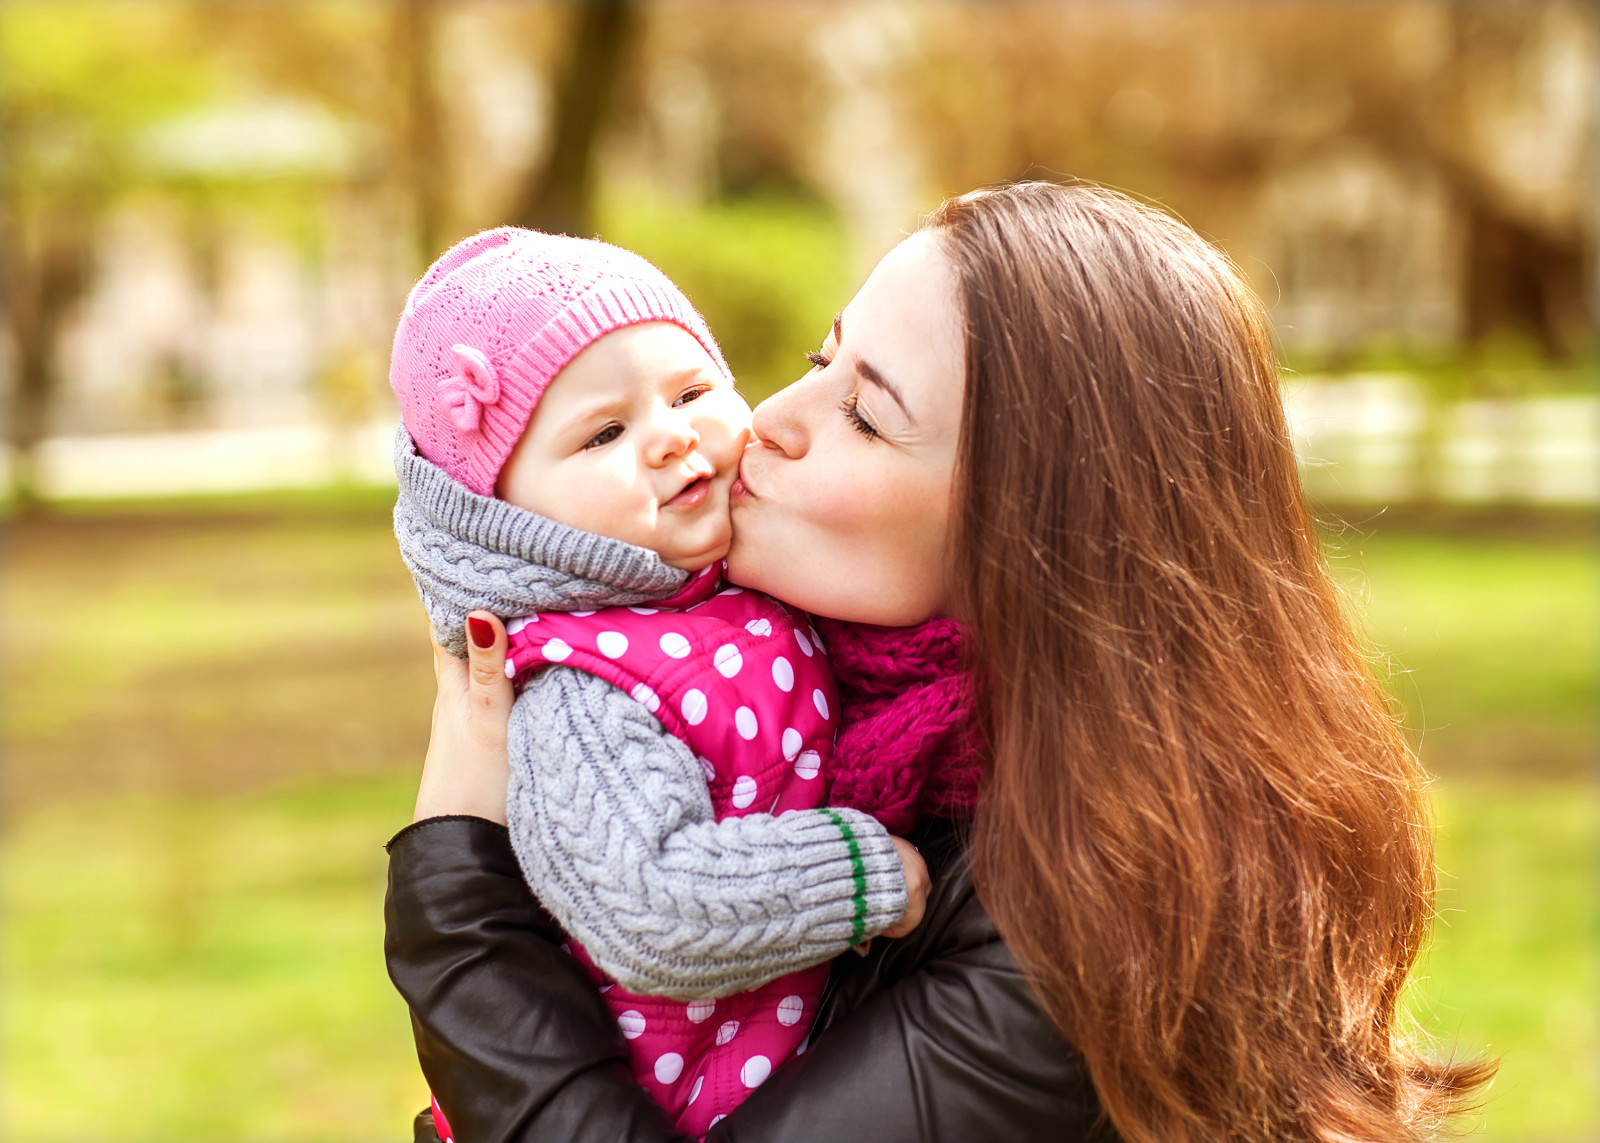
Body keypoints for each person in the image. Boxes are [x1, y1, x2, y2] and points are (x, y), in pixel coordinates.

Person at [386, 181, 1493, 1142]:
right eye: (821, 358)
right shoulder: (840, 725)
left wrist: (457, 887)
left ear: (1039, 529)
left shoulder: (1079, 926)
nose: (764, 420)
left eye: (864, 415)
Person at [387, 229, 937, 1136]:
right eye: (603, 432)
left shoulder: (742, 591)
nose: (671, 435)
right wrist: (859, 869)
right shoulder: (585, 688)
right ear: (510, 519)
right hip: (649, 1103)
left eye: (689, 391)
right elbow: (649, 903)